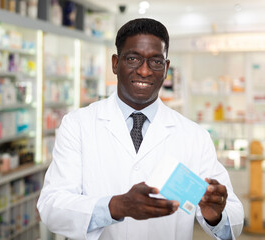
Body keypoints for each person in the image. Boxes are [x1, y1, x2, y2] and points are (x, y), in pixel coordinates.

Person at [37, 18, 244, 240]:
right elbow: (51, 206)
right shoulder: (78, 125)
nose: (144, 71)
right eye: (133, 58)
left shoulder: (194, 136)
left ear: (165, 69)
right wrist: (116, 206)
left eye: (155, 61)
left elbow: (233, 218)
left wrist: (215, 215)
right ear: (116, 63)